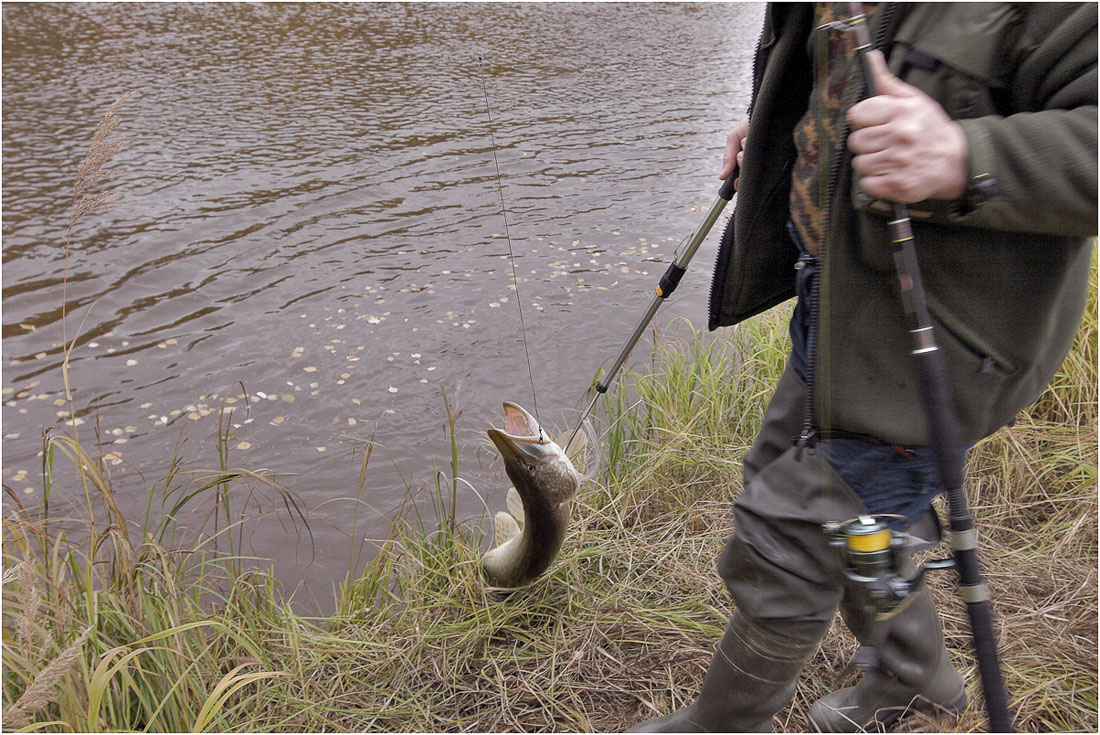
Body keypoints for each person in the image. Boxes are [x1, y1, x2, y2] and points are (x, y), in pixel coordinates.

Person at [630, 3, 1097, 733]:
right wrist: (788, 118)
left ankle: (719, 726)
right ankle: (915, 684)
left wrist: (964, 159)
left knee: (788, 534)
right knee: (808, 490)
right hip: (839, 300)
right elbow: (840, 64)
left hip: (940, 340)